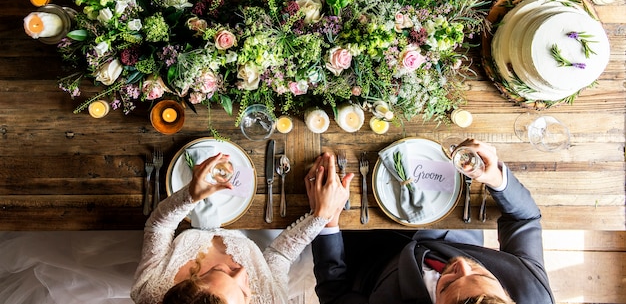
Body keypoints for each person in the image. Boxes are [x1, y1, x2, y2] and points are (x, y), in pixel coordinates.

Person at [311, 139, 555, 304]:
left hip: (368, 252)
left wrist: (326, 222)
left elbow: (334, 294)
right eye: (485, 276)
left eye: (448, 285)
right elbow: (524, 218)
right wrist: (497, 179)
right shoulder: (533, 293)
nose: (461, 264)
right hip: (446, 220)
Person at [131, 151, 353, 304]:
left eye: (219, 270)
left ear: (187, 283)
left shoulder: (150, 290)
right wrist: (321, 216)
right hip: (256, 231)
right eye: (245, 294)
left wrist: (190, 196)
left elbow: (158, 227)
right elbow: (279, 255)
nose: (244, 271)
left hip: (191, 220)